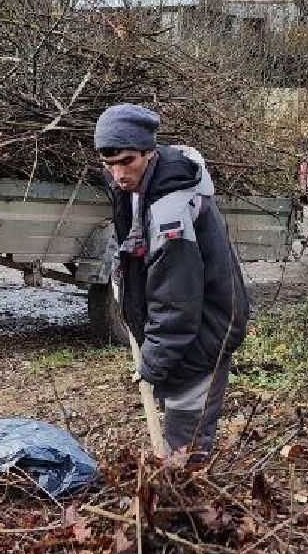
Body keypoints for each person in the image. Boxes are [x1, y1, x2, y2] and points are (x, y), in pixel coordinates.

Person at [95, 103, 249, 457]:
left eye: (127, 161)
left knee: (185, 438)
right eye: (109, 164)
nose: (118, 173)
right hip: (183, 331)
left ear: (149, 153)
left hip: (205, 330)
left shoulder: (171, 212)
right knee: (175, 417)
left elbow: (175, 301)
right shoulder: (140, 184)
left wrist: (152, 363)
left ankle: (186, 505)